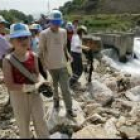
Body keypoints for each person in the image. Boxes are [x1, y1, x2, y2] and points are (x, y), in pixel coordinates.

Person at [3, 23, 50, 138]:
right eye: (19, 38)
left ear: (30, 39)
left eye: (26, 37)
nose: (23, 40)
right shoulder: (7, 60)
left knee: (41, 122)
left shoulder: (33, 56)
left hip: (35, 95)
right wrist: (30, 87)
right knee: (23, 126)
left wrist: (43, 82)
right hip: (18, 97)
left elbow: (37, 75)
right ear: (11, 41)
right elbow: (10, 85)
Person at [39, 9, 76, 118]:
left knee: (66, 88)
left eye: (58, 23)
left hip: (62, 65)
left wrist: (68, 55)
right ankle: (56, 101)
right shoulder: (44, 34)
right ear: (50, 21)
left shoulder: (63, 32)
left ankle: (69, 109)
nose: (56, 25)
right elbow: (40, 52)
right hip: (50, 67)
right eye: (54, 23)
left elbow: (64, 47)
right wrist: (43, 67)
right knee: (54, 87)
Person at [69, 25, 88, 89]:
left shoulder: (77, 37)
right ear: (81, 32)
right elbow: (77, 45)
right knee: (79, 70)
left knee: (76, 69)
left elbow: (78, 45)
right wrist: (84, 47)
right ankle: (71, 82)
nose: (84, 35)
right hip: (75, 54)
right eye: (84, 33)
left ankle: (73, 81)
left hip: (75, 54)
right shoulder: (77, 37)